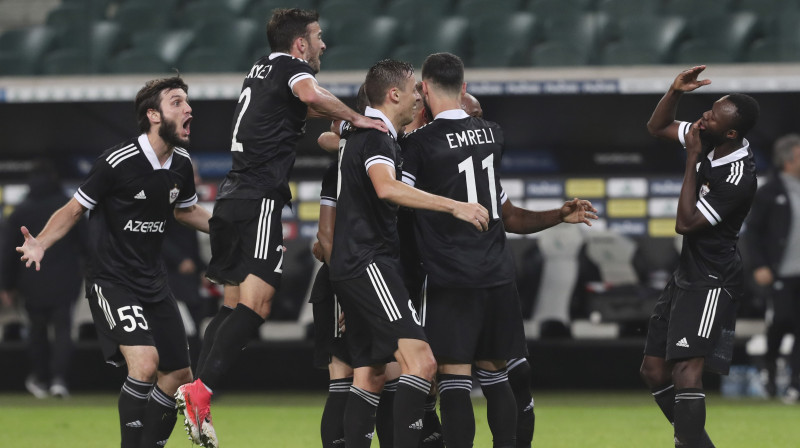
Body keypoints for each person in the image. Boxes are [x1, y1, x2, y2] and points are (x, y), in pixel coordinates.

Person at [175, 8, 388, 448]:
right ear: (300, 44)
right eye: (318, 37)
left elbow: (292, 108)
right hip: (260, 198)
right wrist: (354, 118)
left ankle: (197, 389)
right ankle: (200, 391)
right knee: (259, 304)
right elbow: (309, 93)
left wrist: (325, 115)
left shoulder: (259, 71)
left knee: (233, 306)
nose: (324, 44)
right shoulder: (293, 68)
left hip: (231, 198)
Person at [400, 52, 596, 448]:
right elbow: (509, 216)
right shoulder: (492, 135)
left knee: (455, 379)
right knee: (495, 376)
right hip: (498, 276)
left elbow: (396, 203)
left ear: (423, 89)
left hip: (452, 278)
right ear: (465, 88)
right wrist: (559, 214)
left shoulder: (419, 145)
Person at [15, 76, 211, 448]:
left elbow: (186, 212)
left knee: (179, 374)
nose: (188, 109)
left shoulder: (182, 164)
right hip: (112, 281)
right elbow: (74, 210)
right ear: (153, 115)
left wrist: (230, 231)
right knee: (145, 363)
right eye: (177, 102)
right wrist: (40, 243)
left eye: (187, 101)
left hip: (155, 283)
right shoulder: (118, 161)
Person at [329, 58, 489, 448]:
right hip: (369, 263)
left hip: (357, 267)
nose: (421, 96)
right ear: (394, 94)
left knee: (370, 375)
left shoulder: (368, 134)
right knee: (422, 363)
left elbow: (334, 135)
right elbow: (386, 187)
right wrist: (455, 205)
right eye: (415, 89)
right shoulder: (376, 139)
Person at [641, 65, 760, 448]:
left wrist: (692, 159)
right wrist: (675, 91)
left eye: (712, 116)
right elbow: (657, 128)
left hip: (713, 279)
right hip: (687, 273)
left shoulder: (739, 177)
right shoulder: (710, 136)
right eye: (708, 108)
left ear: (730, 133)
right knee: (654, 370)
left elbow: (686, 222)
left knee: (687, 373)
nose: (704, 117)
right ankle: (696, 443)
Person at [0, 161, 87, 398]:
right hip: (65, 280)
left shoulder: (20, 211)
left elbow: (8, 251)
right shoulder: (67, 207)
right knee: (62, 331)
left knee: (36, 332)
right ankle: (59, 380)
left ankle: (40, 379)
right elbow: (87, 244)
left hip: (31, 281)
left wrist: (6, 285)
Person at [744, 133, 800, 402]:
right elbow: (752, 233)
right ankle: (769, 367)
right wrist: (759, 265)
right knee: (781, 321)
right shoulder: (769, 191)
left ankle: (795, 384)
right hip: (780, 272)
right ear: (788, 160)